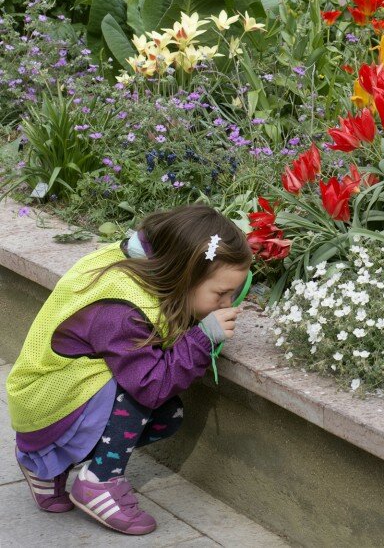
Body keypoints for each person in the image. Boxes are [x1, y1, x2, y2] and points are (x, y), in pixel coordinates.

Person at [6, 202, 252, 536]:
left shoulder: (140, 266)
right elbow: (149, 385)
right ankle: (99, 482)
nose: (227, 304)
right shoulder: (124, 308)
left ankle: (46, 465)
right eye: (221, 294)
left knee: (167, 416)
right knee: (138, 392)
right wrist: (200, 339)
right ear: (182, 277)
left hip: (56, 397)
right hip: (47, 401)